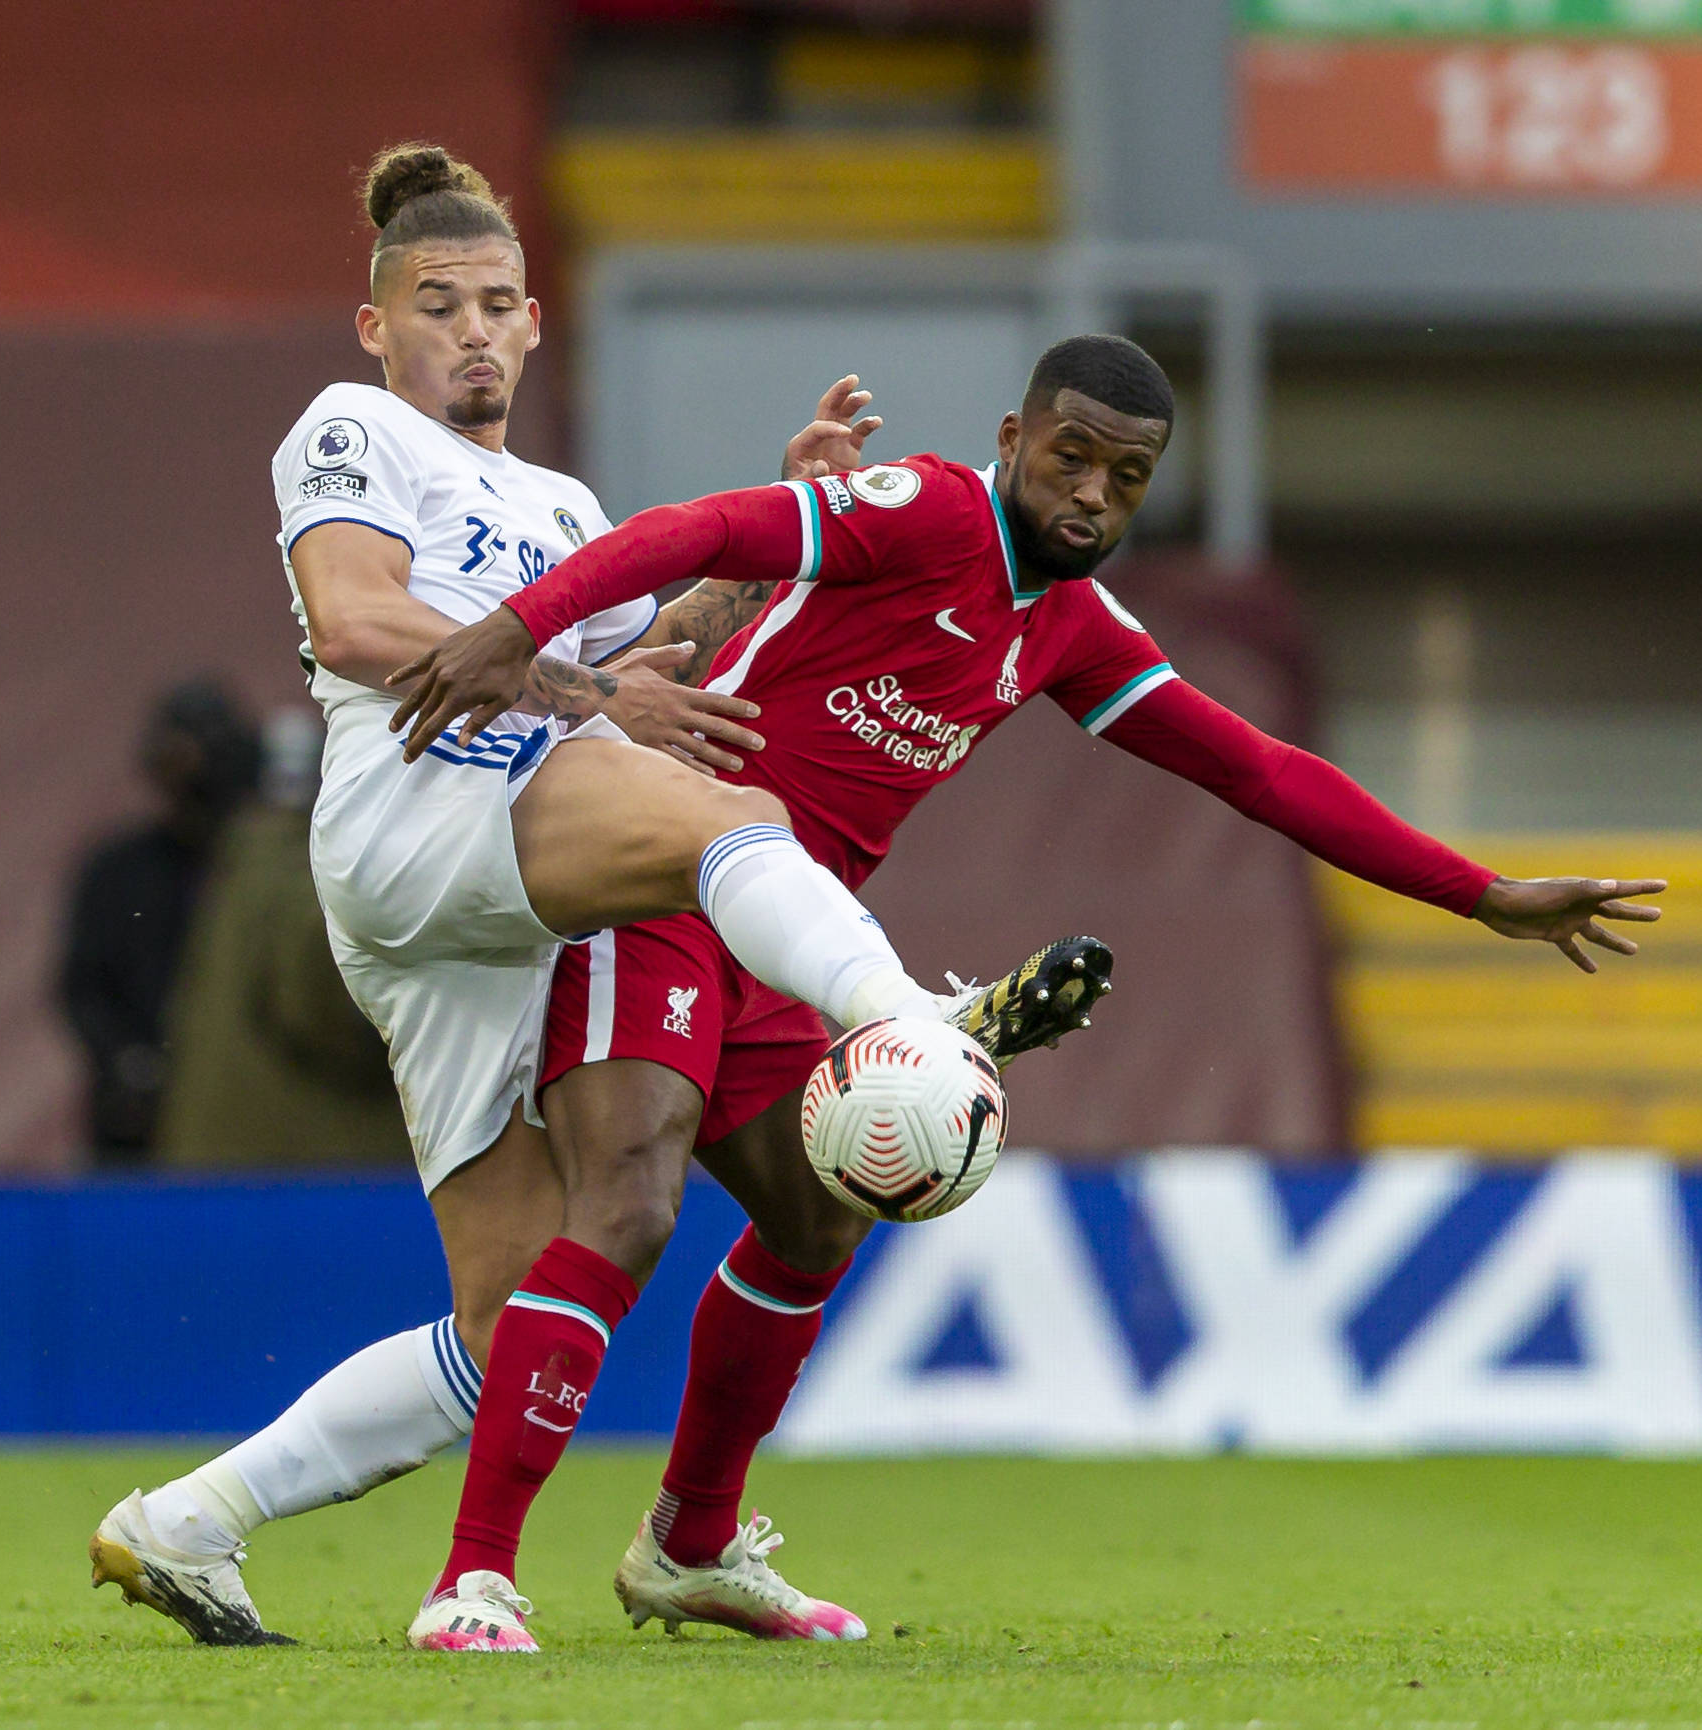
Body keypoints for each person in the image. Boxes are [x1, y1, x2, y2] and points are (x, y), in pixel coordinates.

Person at [386, 334, 1671, 1650]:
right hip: (664, 862)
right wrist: (513, 632)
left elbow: (1259, 770)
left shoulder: (1066, 624)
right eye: (1072, 457)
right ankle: (472, 1576)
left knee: (820, 1220)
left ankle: (691, 1545)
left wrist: (1481, 891)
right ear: (1014, 437)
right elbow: (701, 525)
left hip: (785, 931)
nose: (1093, 496)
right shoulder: (926, 513)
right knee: (632, 1196)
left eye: (1128, 476)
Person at [88, 143, 1099, 1645]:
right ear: (378, 324)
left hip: (502, 875)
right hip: (419, 814)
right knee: (730, 818)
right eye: (441, 305)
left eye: (501, 304)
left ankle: (185, 1524)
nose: (475, 331)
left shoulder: (557, 501)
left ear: (537, 321)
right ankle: (909, 1018)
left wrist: (770, 542)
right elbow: (362, 617)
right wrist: (573, 690)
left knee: (506, 1324)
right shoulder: (353, 427)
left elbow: (646, 670)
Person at [155, 708, 412, 1169]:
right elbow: (329, 1014)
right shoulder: (317, 876)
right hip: (322, 1173)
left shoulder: (244, 863)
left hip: (226, 1162)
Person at [59, 679, 262, 1167]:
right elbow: (83, 988)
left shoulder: (272, 872)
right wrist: (126, 1062)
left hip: (253, 1118)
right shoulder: (118, 870)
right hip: (140, 1124)